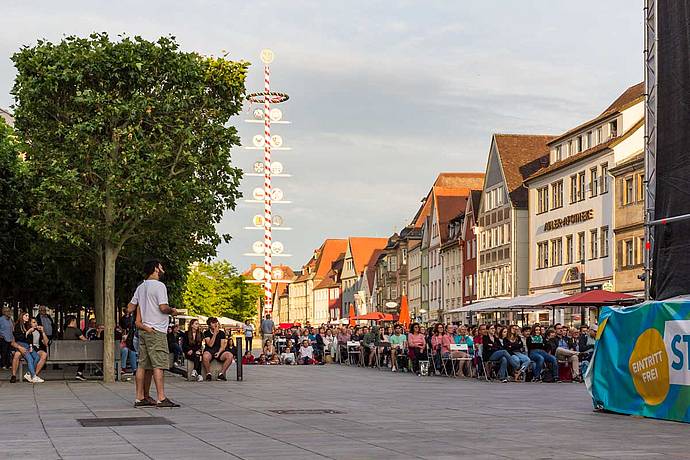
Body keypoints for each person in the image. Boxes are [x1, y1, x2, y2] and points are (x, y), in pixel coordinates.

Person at [129, 259, 180, 408]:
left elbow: (130, 307)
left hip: (144, 331)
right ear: (156, 269)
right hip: (156, 330)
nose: (162, 270)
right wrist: (173, 311)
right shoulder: (159, 286)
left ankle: (140, 397)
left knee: (143, 365)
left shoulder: (141, 286)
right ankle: (161, 398)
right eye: (161, 267)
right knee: (159, 364)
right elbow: (163, 307)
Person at [14, 312, 41, 383]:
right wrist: (28, 331)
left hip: (28, 345)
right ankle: (33, 376)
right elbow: (19, 337)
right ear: (22, 316)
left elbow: (30, 337)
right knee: (30, 359)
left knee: (37, 357)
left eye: (28, 315)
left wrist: (31, 345)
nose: (27, 317)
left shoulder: (27, 325)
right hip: (21, 344)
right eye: (26, 315)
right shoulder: (18, 325)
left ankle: (29, 374)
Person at [63, 315, 88, 381]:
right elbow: (85, 341)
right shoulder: (76, 330)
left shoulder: (65, 331)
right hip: (75, 354)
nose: (76, 323)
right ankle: (79, 373)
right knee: (84, 356)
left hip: (65, 354)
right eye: (75, 321)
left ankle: (79, 374)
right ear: (72, 321)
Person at [25, 317, 49, 382]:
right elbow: (24, 339)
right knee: (40, 356)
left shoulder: (38, 331)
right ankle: (32, 376)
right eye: (33, 322)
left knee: (44, 354)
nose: (36, 324)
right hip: (30, 348)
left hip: (37, 348)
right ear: (29, 323)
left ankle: (33, 375)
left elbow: (46, 343)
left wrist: (43, 332)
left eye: (36, 322)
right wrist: (29, 331)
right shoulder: (27, 330)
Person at [0, 306, 16, 372]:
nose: (9, 312)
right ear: (4, 312)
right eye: (7, 311)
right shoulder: (1, 319)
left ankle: (8, 364)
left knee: (9, 352)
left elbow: (13, 328)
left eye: (9, 311)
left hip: (10, 338)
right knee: (4, 352)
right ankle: (3, 365)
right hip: (3, 338)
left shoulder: (10, 319)